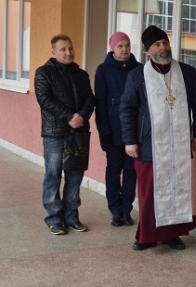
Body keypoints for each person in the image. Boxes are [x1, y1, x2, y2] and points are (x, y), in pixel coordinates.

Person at [120, 25, 196, 251]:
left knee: (177, 190)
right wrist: (130, 140)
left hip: (179, 144)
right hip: (148, 145)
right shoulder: (137, 75)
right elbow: (127, 109)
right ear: (147, 51)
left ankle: (172, 235)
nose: (163, 48)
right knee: (149, 192)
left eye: (165, 43)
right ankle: (146, 236)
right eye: (157, 45)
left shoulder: (187, 73)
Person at [34, 34, 95, 235]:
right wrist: (69, 116)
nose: (68, 52)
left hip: (78, 134)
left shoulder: (82, 74)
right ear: (53, 52)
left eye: (70, 48)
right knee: (53, 176)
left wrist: (81, 117)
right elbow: (44, 99)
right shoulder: (43, 73)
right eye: (63, 49)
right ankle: (54, 218)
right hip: (55, 134)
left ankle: (71, 216)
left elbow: (90, 99)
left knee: (75, 176)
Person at [94, 32, 140, 227]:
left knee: (131, 172)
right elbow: (100, 104)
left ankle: (126, 209)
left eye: (127, 45)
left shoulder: (139, 69)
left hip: (133, 133)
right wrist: (104, 131)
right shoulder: (103, 70)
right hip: (113, 132)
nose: (124, 49)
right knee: (113, 171)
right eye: (120, 46)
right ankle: (115, 210)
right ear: (112, 47)